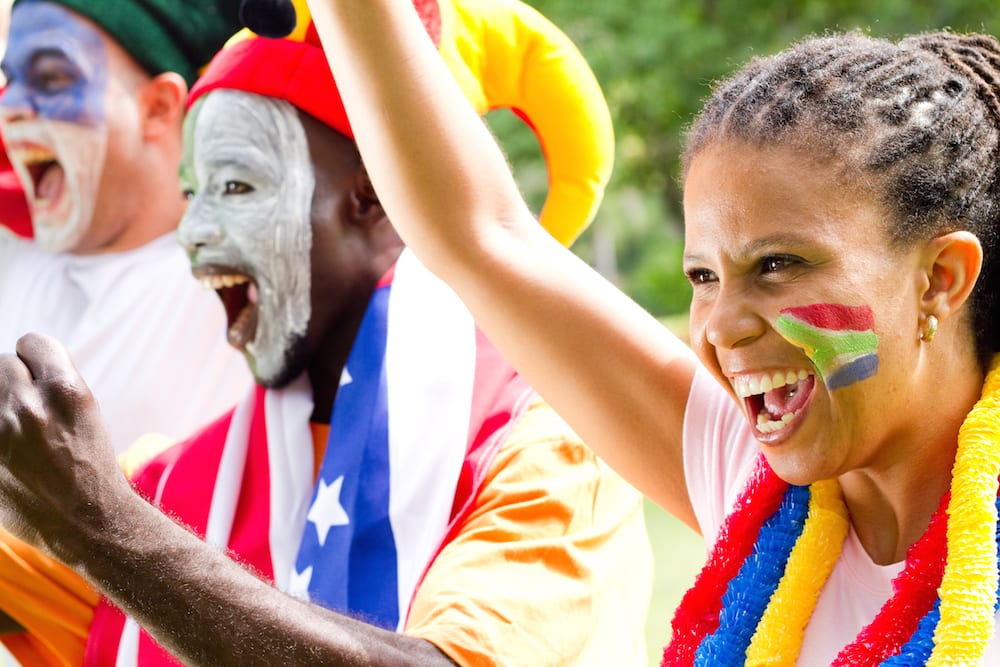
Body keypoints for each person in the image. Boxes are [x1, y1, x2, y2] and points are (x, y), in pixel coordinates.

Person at [238, 0, 1000, 664]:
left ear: (940, 276)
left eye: (778, 264)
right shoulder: (756, 485)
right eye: (703, 277)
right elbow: (480, 237)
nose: (723, 327)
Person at [0, 2, 652, 666]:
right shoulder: (169, 481)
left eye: (235, 184)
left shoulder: (552, 448)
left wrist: (102, 529)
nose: (193, 233)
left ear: (371, 198)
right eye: (193, 192)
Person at [0, 0, 250, 453]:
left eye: (52, 77)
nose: (10, 107)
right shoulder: (15, 251)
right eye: (11, 80)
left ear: (157, 107)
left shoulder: (240, 279)